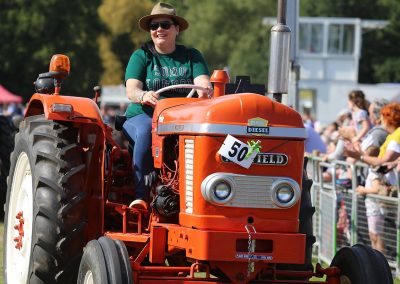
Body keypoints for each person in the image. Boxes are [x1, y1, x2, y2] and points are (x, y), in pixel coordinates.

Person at [123, 2, 212, 209]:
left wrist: (204, 90)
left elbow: (203, 86)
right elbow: (132, 90)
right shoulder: (142, 56)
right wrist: (143, 94)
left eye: (165, 24)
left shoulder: (191, 56)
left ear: (177, 29)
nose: (159, 30)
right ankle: (141, 195)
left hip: (181, 119)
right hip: (144, 115)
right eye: (154, 26)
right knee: (147, 130)